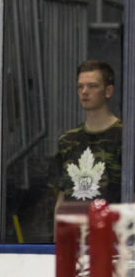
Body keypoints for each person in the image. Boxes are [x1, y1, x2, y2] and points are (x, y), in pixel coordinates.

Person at [52, 60, 123, 206]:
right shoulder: (67, 141)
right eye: (80, 86)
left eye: (92, 86)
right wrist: (58, 228)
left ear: (108, 91)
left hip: (114, 225)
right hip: (74, 226)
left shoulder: (126, 138)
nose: (84, 91)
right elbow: (61, 198)